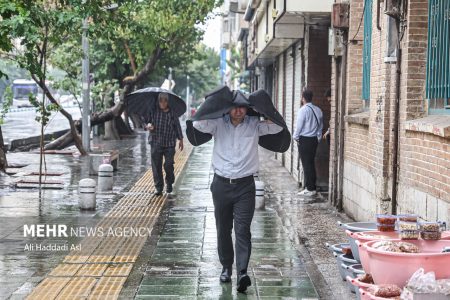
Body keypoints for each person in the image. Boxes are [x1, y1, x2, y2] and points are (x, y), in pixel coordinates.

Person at [193, 103, 282, 293]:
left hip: (245, 186)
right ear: (227, 108)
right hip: (221, 185)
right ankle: (226, 267)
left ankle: (242, 272)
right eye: (234, 107)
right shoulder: (217, 123)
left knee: (242, 229)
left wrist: (263, 109)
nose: (238, 111)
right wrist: (210, 104)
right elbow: (197, 124)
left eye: (242, 107)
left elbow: (278, 126)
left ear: (247, 109)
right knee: (223, 229)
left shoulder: (255, 124)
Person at [147, 92, 184, 195]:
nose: (163, 103)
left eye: (165, 101)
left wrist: (180, 139)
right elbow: (147, 122)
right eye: (161, 100)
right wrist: (149, 126)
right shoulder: (153, 111)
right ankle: (158, 187)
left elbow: (177, 126)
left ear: (168, 102)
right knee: (156, 166)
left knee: (168, 164)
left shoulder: (172, 113)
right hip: (155, 142)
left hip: (169, 143)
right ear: (158, 101)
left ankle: (169, 183)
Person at [293, 89, 323, 196]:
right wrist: (318, 138)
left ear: (303, 98)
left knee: (306, 164)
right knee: (311, 163)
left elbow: (299, 126)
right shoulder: (318, 110)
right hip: (314, 140)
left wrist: (295, 137)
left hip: (304, 140)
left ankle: (309, 189)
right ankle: (311, 187)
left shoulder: (303, 110)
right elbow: (320, 127)